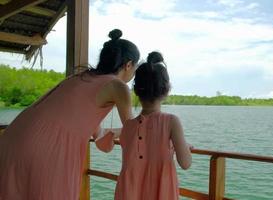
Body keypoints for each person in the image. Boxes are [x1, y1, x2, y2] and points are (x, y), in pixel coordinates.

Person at [0, 29, 140, 200]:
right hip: (48, 147)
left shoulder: (80, 78)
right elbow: (135, 129)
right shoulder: (118, 86)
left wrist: (115, 132)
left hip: (14, 136)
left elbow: (99, 135)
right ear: (128, 65)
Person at [114, 52, 192, 200]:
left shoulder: (129, 125)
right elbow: (186, 163)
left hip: (128, 192)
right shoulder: (171, 121)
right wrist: (182, 145)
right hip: (161, 193)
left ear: (136, 91)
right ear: (167, 90)